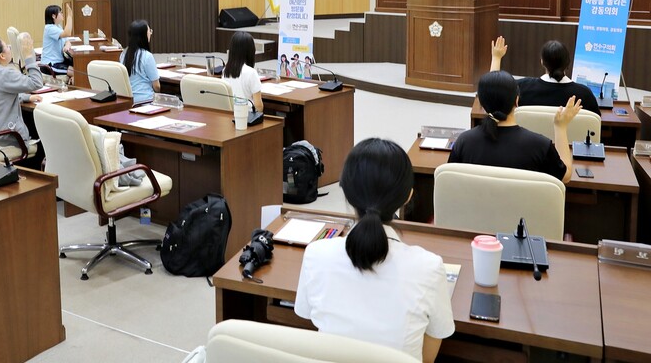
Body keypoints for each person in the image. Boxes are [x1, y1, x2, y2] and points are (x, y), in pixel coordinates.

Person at [295, 138, 454, 362]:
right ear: (408, 195)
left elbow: (306, 317)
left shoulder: (315, 254)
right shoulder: (429, 267)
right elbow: (427, 356)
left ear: (346, 192)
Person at [449, 71, 579, 184]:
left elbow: (450, 178)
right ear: (517, 100)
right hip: (523, 213)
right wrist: (560, 127)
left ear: (482, 104)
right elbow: (565, 176)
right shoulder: (540, 145)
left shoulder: (464, 141)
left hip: (475, 212)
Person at [489, 36, 600, 114]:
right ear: (568, 63)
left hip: (529, 146)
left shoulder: (521, 87)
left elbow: (493, 93)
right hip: (569, 147)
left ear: (542, 62)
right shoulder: (585, 94)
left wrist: (496, 58)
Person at [221, 32, 264, 114]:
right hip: (248, 117)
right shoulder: (251, 72)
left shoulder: (225, 70)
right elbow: (258, 106)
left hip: (230, 114)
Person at [119, 20, 160, 103]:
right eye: (149, 31)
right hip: (145, 101)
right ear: (143, 35)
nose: (150, 34)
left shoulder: (123, 54)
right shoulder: (147, 56)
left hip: (128, 101)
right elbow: (157, 86)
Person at [42, 5, 73, 77]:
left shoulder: (57, 26)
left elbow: (67, 40)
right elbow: (67, 33)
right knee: (76, 73)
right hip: (50, 64)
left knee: (79, 67)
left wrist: (67, 45)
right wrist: (70, 16)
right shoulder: (49, 28)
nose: (62, 14)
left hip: (59, 61)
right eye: (60, 13)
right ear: (53, 16)